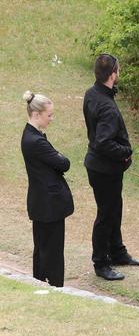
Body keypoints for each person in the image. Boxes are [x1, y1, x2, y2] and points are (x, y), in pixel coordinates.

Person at [83, 53, 139, 281]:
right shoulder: (106, 105)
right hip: (103, 169)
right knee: (106, 214)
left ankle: (118, 252)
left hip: (101, 166)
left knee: (114, 209)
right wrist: (125, 153)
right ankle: (101, 262)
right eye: (118, 70)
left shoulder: (93, 93)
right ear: (113, 74)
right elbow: (103, 142)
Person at [20, 91, 74, 287]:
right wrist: (59, 157)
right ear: (37, 115)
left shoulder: (32, 136)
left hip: (42, 202)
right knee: (52, 249)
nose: (51, 119)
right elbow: (64, 163)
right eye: (49, 115)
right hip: (49, 204)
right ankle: (54, 285)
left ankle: (40, 281)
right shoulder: (36, 141)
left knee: (43, 246)